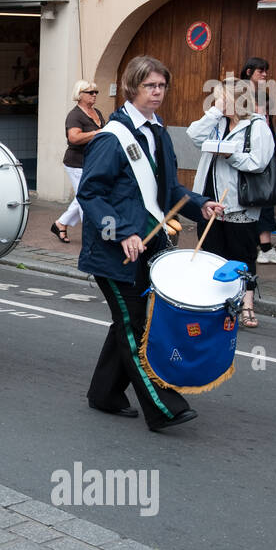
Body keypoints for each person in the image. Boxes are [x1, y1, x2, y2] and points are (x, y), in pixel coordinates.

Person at [77, 55, 224, 433]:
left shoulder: (159, 133)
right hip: (114, 251)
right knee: (135, 325)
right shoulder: (112, 137)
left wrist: (199, 203)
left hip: (152, 246)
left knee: (130, 324)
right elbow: (90, 194)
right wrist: (120, 232)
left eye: (161, 86)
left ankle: (104, 393)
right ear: (132, 88)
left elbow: (169, 189)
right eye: (150, 86)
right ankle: (163, 407)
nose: (157, 93)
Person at [187, 78, 275, 330]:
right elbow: (193, 135)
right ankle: (215, 304)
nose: (218, 102)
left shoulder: (256, 125)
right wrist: (214, 111)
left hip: (238, 201)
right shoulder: (217, 120)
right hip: (209, 198)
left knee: (242, 255)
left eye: (222, 97)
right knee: (212, 254)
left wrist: (230, 154)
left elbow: (258, 161)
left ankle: (247, 305)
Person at [241, 57, 276, 264]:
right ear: (249, 71)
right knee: (258, 198)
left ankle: (263, 246)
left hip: (265, 152)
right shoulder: (240, 94)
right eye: (261, 71)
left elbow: (268, 127)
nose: (265, 75)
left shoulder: (263, 95)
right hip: (249, 155)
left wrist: (275, 153)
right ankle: (263, 247)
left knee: (265, 199)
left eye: (265, 71)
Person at [52, 79, 104, 244]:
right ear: (80, 95)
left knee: (84, 195)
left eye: (96, 92)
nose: (94, 95)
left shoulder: (97, 112)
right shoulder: (74, 115)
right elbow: (73, 137)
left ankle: (60, 223)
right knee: (86, 197)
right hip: (77, 163)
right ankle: (91, 237)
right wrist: (97, 133)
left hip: (93, 162)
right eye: (90, 92)